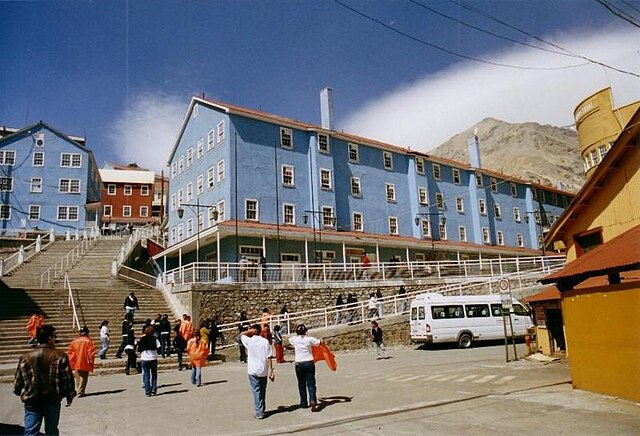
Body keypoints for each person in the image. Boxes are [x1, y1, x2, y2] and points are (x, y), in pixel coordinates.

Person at [13, 324, 76, 436]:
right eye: (54, 336)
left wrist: (18, 391)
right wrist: (69, 394)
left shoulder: (26, 357)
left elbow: (19, 379)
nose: (55, 339)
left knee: (30, 431)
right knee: (51, 430)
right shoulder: (60, 356)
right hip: (52, 399)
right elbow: (67, 378)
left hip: (31, 399)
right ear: (49, 338)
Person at [240, 324, 274, 420]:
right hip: (263, 369)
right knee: (262, 390)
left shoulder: (249, 341)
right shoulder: (265, 342)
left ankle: (259, 411)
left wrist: (249, 331)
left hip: (253, 369)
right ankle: (261, 409)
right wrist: (271, 370)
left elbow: (241, 335)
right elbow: (269, 357)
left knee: (256, 390)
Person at [289, 324, 321, 412]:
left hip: (299, 363)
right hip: (309, 362)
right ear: (306, 331)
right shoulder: (309, 339)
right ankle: (312, 399)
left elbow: (290, 340)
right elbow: (319, 342)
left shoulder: (294, 339)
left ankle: (303, 403)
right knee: (311, 383)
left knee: (301, 384)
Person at [66, 326, 96, 397]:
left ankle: (79, 389)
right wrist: (91, 361)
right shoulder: (89, 341)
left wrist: (71, 361)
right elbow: (90, 353)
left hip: (76, 362)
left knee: (78, 377)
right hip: (85, 361)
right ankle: (81, 391)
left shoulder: (74, 342)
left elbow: (70, 352)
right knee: (84, 377)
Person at [138, 326, 161, 397]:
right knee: (154, 374)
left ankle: (147, 391)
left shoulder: (142, 339)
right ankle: (154, 389)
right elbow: (159, 347)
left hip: (145, 358)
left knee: (146, 374)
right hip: (153, 358)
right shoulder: (155, 339)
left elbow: (139, 349)